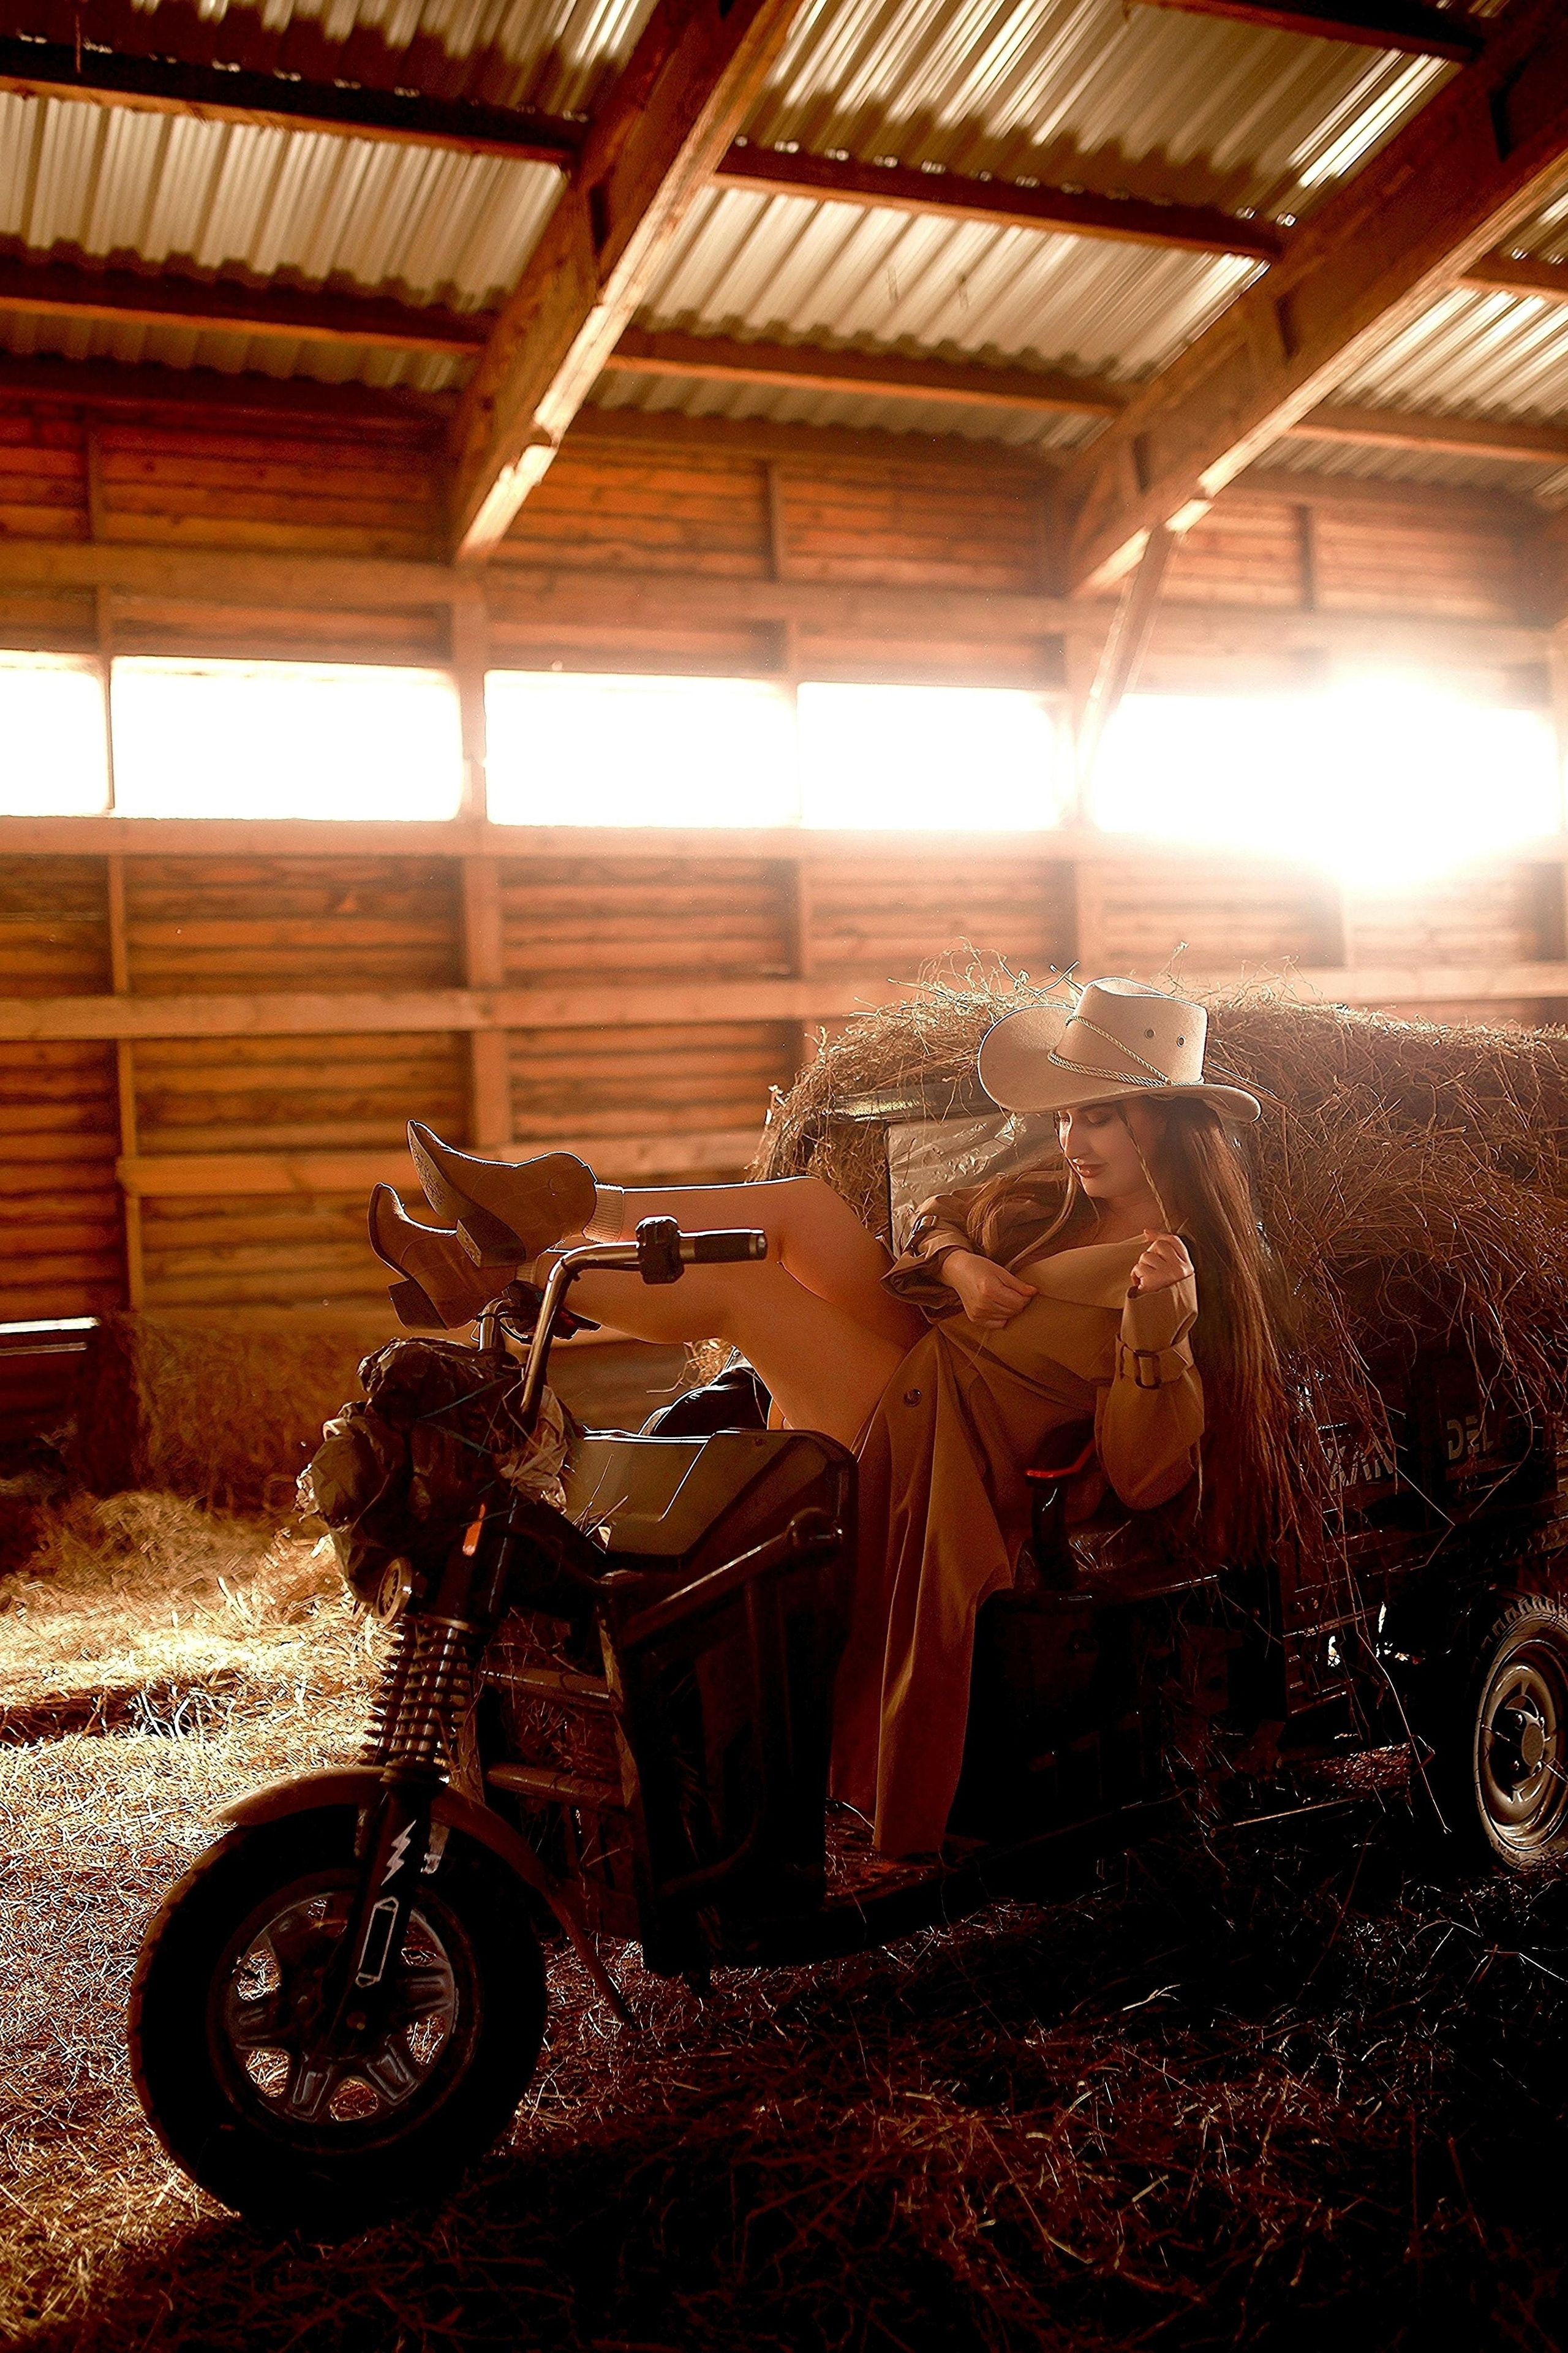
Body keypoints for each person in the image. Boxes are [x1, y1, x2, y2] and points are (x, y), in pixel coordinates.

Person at [370, 979, 1293, 1857]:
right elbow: (941, 1213)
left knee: (752, 1296)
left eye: (1095, 1115)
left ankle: (511, 1275)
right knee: (808, 1209)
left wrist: (1156, 1329)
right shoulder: (1053, 1200)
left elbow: (1145, 1473)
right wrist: (960, 1261)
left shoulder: (1175, 1275)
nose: (1070, 1138)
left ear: (1161, 1124)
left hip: (947, 1449)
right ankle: (565, 1207)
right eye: (1066, 1113)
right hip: (925, 1357)